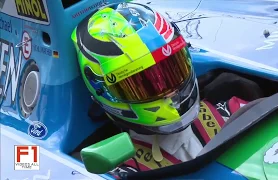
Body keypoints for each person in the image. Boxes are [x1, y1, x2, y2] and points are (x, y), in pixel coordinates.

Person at [71, 2, 263, 178]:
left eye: (172, 69)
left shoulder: (232, 111)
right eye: (143, 85)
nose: (170, 93)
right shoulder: (121, 171)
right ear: (103, 90)